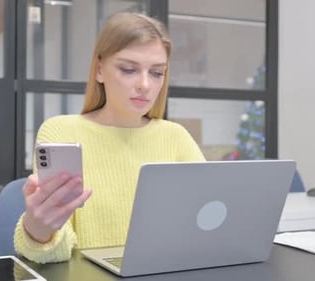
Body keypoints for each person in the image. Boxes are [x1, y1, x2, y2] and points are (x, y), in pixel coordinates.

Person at [14, 12, 206, 263]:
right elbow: (57, 256)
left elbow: (207, 227)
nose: (145, 85)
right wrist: (40, 232)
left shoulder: (175, 136)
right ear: (99, 70)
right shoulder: (61, 132)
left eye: (157, 73)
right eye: (128, 69)